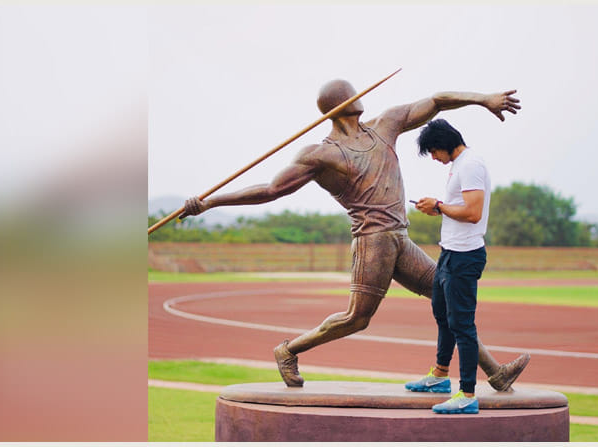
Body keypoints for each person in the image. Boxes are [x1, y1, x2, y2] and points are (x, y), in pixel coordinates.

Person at [180, 79, 529, 390]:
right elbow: (271, 190)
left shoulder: (386, 125)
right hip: (372, 241)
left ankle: (495, 373)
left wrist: (483, 99)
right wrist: (210, 202)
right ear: (339, 106)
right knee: (357, 319)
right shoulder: (322, 154)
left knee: (448, 300)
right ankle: (288, 350)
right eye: (350, 94)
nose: (359, 96)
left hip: (400, 239)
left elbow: (437, 101)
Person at [404, 119, 529, 414]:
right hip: (449, 252)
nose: (433, 157)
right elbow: (459, 208)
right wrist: (438, 209)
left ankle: (468, 394)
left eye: (433, 151)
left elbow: (473, 213)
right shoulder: (459, 165)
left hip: (465, 256)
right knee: (442, 313)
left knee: (462, 325)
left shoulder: (471, 164)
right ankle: (439, 376)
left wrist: (438, 206)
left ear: (444, 144)